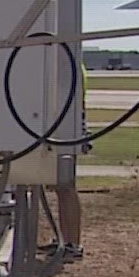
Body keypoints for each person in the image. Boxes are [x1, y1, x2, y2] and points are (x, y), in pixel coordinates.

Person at [48, 59, 89, 259]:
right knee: (58, 187)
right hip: (60, 127)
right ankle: (62, 240)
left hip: (66, 130)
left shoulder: (70, 63)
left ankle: (73, 243)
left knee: (65, 186)